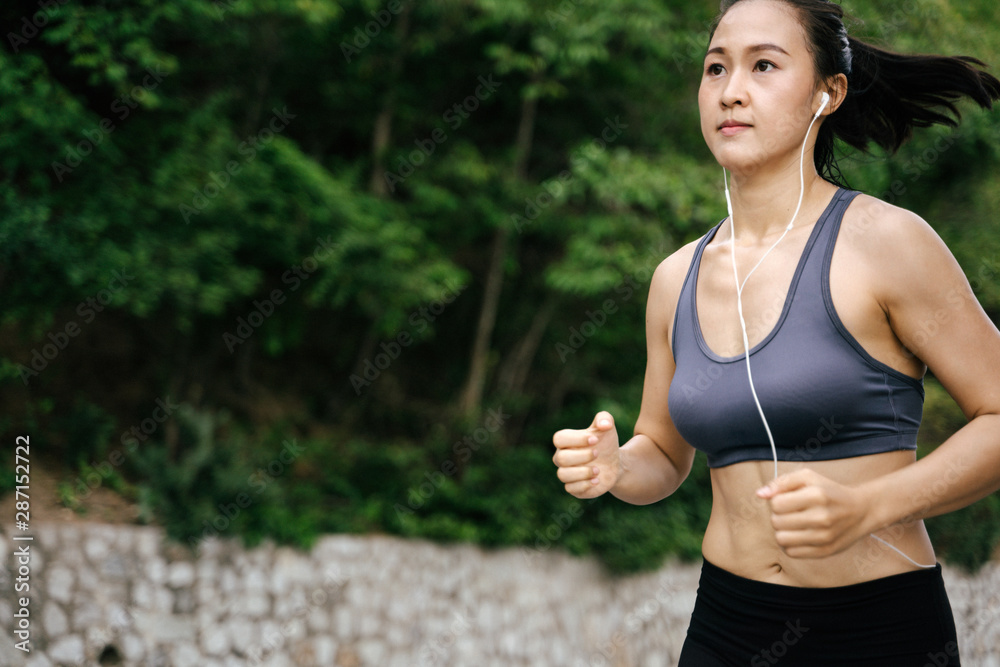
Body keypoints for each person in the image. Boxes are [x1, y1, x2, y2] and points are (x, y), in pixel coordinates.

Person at [551, 0, 1000, 665]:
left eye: (764, 65)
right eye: (715, 68)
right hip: (727, 627)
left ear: (829, 92)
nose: (731, 90)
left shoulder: (887, 242)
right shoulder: (674, 278)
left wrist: (868, 506)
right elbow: (665, 456)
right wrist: (617, 467)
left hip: (879, 629)